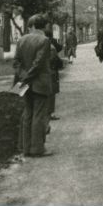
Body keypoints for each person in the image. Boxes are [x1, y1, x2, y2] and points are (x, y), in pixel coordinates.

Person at [13, 14, 52, 157]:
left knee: (27, 113)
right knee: (38, 114)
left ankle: (25, 147)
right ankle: (37, 148)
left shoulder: (21, 40)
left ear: (32, 26)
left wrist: (23, 78)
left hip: (24, 83)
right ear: (43, 26)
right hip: (39, 83)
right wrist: (29, 77)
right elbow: (38, 64)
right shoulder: (44, 40)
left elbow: (16, 62)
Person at [44, 25, 63, 120]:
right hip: (50, 72)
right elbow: (54, 60)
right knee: (51, 93)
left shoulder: (36, 43)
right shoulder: (51, 46)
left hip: (40, 73)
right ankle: (49, 113)